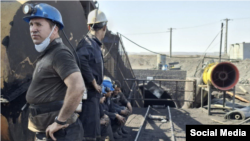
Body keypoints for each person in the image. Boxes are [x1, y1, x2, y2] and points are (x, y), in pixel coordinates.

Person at [23, 3, 85, 141]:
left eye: (38, 24)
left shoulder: (59, 53)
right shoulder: (48, 53)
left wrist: (60, 121)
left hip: (60, 134)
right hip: (47, 131)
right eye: (31, 24)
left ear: (55, 29)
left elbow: (77, 87)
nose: (33, 29)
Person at [76, 9, 108, 141]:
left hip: (94, 97)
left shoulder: (94, 44)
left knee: (94, 133)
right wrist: (93, 81)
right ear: (105, 27)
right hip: (88, 97)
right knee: (88, 135)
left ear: (89, 26)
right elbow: (81, 59)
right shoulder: (88, 43)